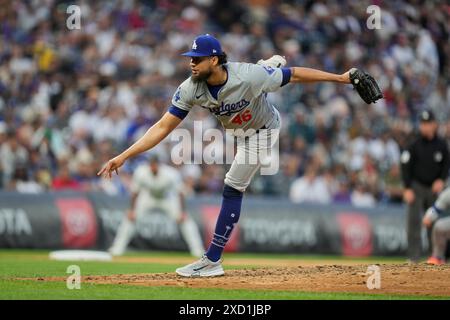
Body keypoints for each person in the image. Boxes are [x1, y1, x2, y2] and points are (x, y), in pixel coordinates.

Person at [98, 34, 353, 277]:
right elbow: (163, 127)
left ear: (214, 60)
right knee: (258, 81)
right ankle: (270, 65)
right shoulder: (190, 88)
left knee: (232, 187)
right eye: (191, 57)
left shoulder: (246, 76)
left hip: (263, 130)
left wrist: (341, 79)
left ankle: (212, 260)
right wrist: (125, 155)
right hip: (239, 128)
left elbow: (295, 74)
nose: (191, 62)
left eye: (197, 58)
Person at [108, 154, 205, 257]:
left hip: (167, 198)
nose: (153, 167)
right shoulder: (141, 172)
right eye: (151, 164)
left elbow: (180, 193)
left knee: (185, 220)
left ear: (159, 164)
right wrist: (132, 210)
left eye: (155, 164)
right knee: (130, 218)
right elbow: (135, 193)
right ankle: (117, 249)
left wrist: (182, 212)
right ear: (148, 164)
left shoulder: (171, 173)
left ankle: (197, 250)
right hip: (148, 198)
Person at [400, 110, 450, 263]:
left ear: (434, 124)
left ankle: (434, 256)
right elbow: (405, 166)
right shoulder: (414, 144)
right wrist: (407, 187)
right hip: (417, 187)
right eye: (423, 124)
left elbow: (446, 165)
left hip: (435, 189)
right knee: (414, 224)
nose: (425, 127)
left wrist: (441, 180)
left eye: (428, 123)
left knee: (434, 223)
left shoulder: (442, 145)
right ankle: (413, 258)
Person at [422, 186, 450, 265]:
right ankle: (438, 257)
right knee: (439, 226)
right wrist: (428, 217)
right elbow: (436, 209)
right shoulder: (448, 193)